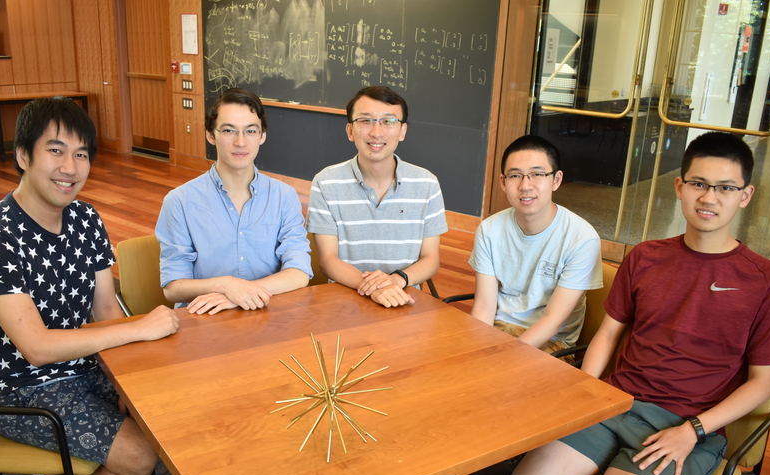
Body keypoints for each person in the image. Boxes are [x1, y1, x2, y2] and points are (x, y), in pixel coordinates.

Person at [507, 131, 770, 475]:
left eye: (724, 188)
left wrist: (693, 432)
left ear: (745, 196)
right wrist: (583, 395)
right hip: (615, 403)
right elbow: (607, 335)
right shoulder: (645, 257)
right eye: (699, 183)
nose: (709, 197)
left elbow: (762, 384)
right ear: (680, 187)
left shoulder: (766, 280)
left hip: (685, 426)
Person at [0, 96, 180, 475]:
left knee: (176, 413)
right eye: (55, 150)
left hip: (87, 365)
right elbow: (37, 348)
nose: (70, 167)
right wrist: (139, 331)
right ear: (23, 156)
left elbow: (104, 308)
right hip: (21, 390)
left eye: (81, 154)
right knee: (141, 455)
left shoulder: (85, 217)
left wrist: (129, 374)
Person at [155, 88, 311, 314]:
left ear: (262, 136)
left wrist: (240, 295)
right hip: (204, 320)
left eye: (250, 131)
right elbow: (173, 287)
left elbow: (299, 272)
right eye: (229, 130)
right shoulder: (180, 201)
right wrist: (225, 286)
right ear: (211, 135)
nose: (240, 142)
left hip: (269, 315)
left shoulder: (283, 196)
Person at [307, 86, 448, 308]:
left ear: (402, 131)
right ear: (350, 130)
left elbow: (431, 259)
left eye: (388, 121)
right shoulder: (325, 183)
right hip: (344, 300)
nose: (377, 132)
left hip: (404, 298)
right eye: (365, 121)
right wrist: (375, 289)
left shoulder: (427, 184)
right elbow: (327, 260)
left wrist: (394, 281)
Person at [469, 135, 601, 357]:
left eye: (537, 174)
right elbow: (484, 306)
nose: (525, 185)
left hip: (549, 343)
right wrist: (475, 346)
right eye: (515, 176)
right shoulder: (489, 229)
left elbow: (552, 321)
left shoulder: (582, 239)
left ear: (556, 180)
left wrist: (505, 355)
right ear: (503, 182)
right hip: (496, 330)